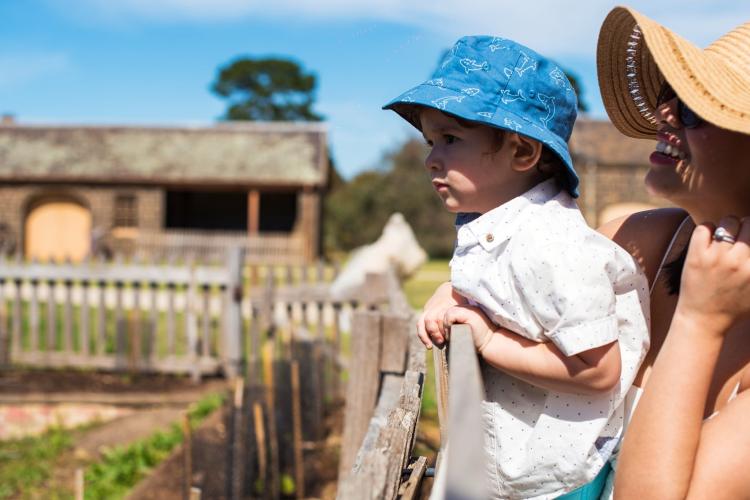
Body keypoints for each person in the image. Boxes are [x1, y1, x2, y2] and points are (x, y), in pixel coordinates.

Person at [383, 36, 650, 499]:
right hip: (529, 464)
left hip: (563, 478)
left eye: (450, 139)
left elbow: (597, 369)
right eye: (430, 141)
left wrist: (487, 340)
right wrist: (455, 291)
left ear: (523, 154)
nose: (431, 159)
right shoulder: (503, 231)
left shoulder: (553, 245)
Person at [593, 7, 750, 498]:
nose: (663, 115)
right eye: (668, 97)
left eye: (693, 109)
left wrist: (699, 323)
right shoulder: (641, 242)